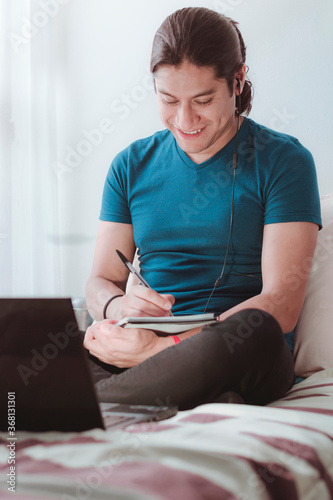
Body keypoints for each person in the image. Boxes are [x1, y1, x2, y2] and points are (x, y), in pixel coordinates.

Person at [84, 7, 321, 410]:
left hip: (233, 350)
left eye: (203, 100)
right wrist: (117, 306)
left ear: (238, 80)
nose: (184, 119)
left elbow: (280, 304)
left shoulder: (284, 161)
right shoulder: (130, 165)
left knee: (257, 330)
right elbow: (100, 281)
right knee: (39, 344)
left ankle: (109, 394)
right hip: (147, 337)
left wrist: (160, 350)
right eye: (168, 99)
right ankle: (174, 390)